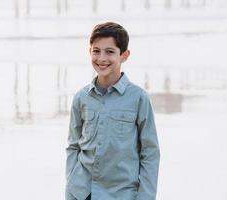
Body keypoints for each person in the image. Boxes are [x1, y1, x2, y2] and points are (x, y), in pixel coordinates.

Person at [65, 22, 160, 200]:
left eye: (110, 51)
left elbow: (150, 152)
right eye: (96, 50)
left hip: (122, 194)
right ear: (89, 52)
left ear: (124, 55)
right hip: (82, 193)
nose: (102, 58)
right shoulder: (81, 98)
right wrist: (71, 184)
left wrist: (146, 197)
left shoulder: (138, 98)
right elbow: (73, 146)